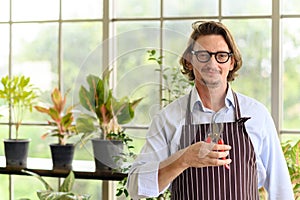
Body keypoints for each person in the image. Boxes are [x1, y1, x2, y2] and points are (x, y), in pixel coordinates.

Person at [126, 21, 294, 200]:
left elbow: (280, 188)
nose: (212, 63)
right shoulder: (168, 119)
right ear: (189, 62)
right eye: (203, 55)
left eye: (221, 55)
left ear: (232, 62)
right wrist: (183, 159)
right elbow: (136, 187)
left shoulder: (257, 115)